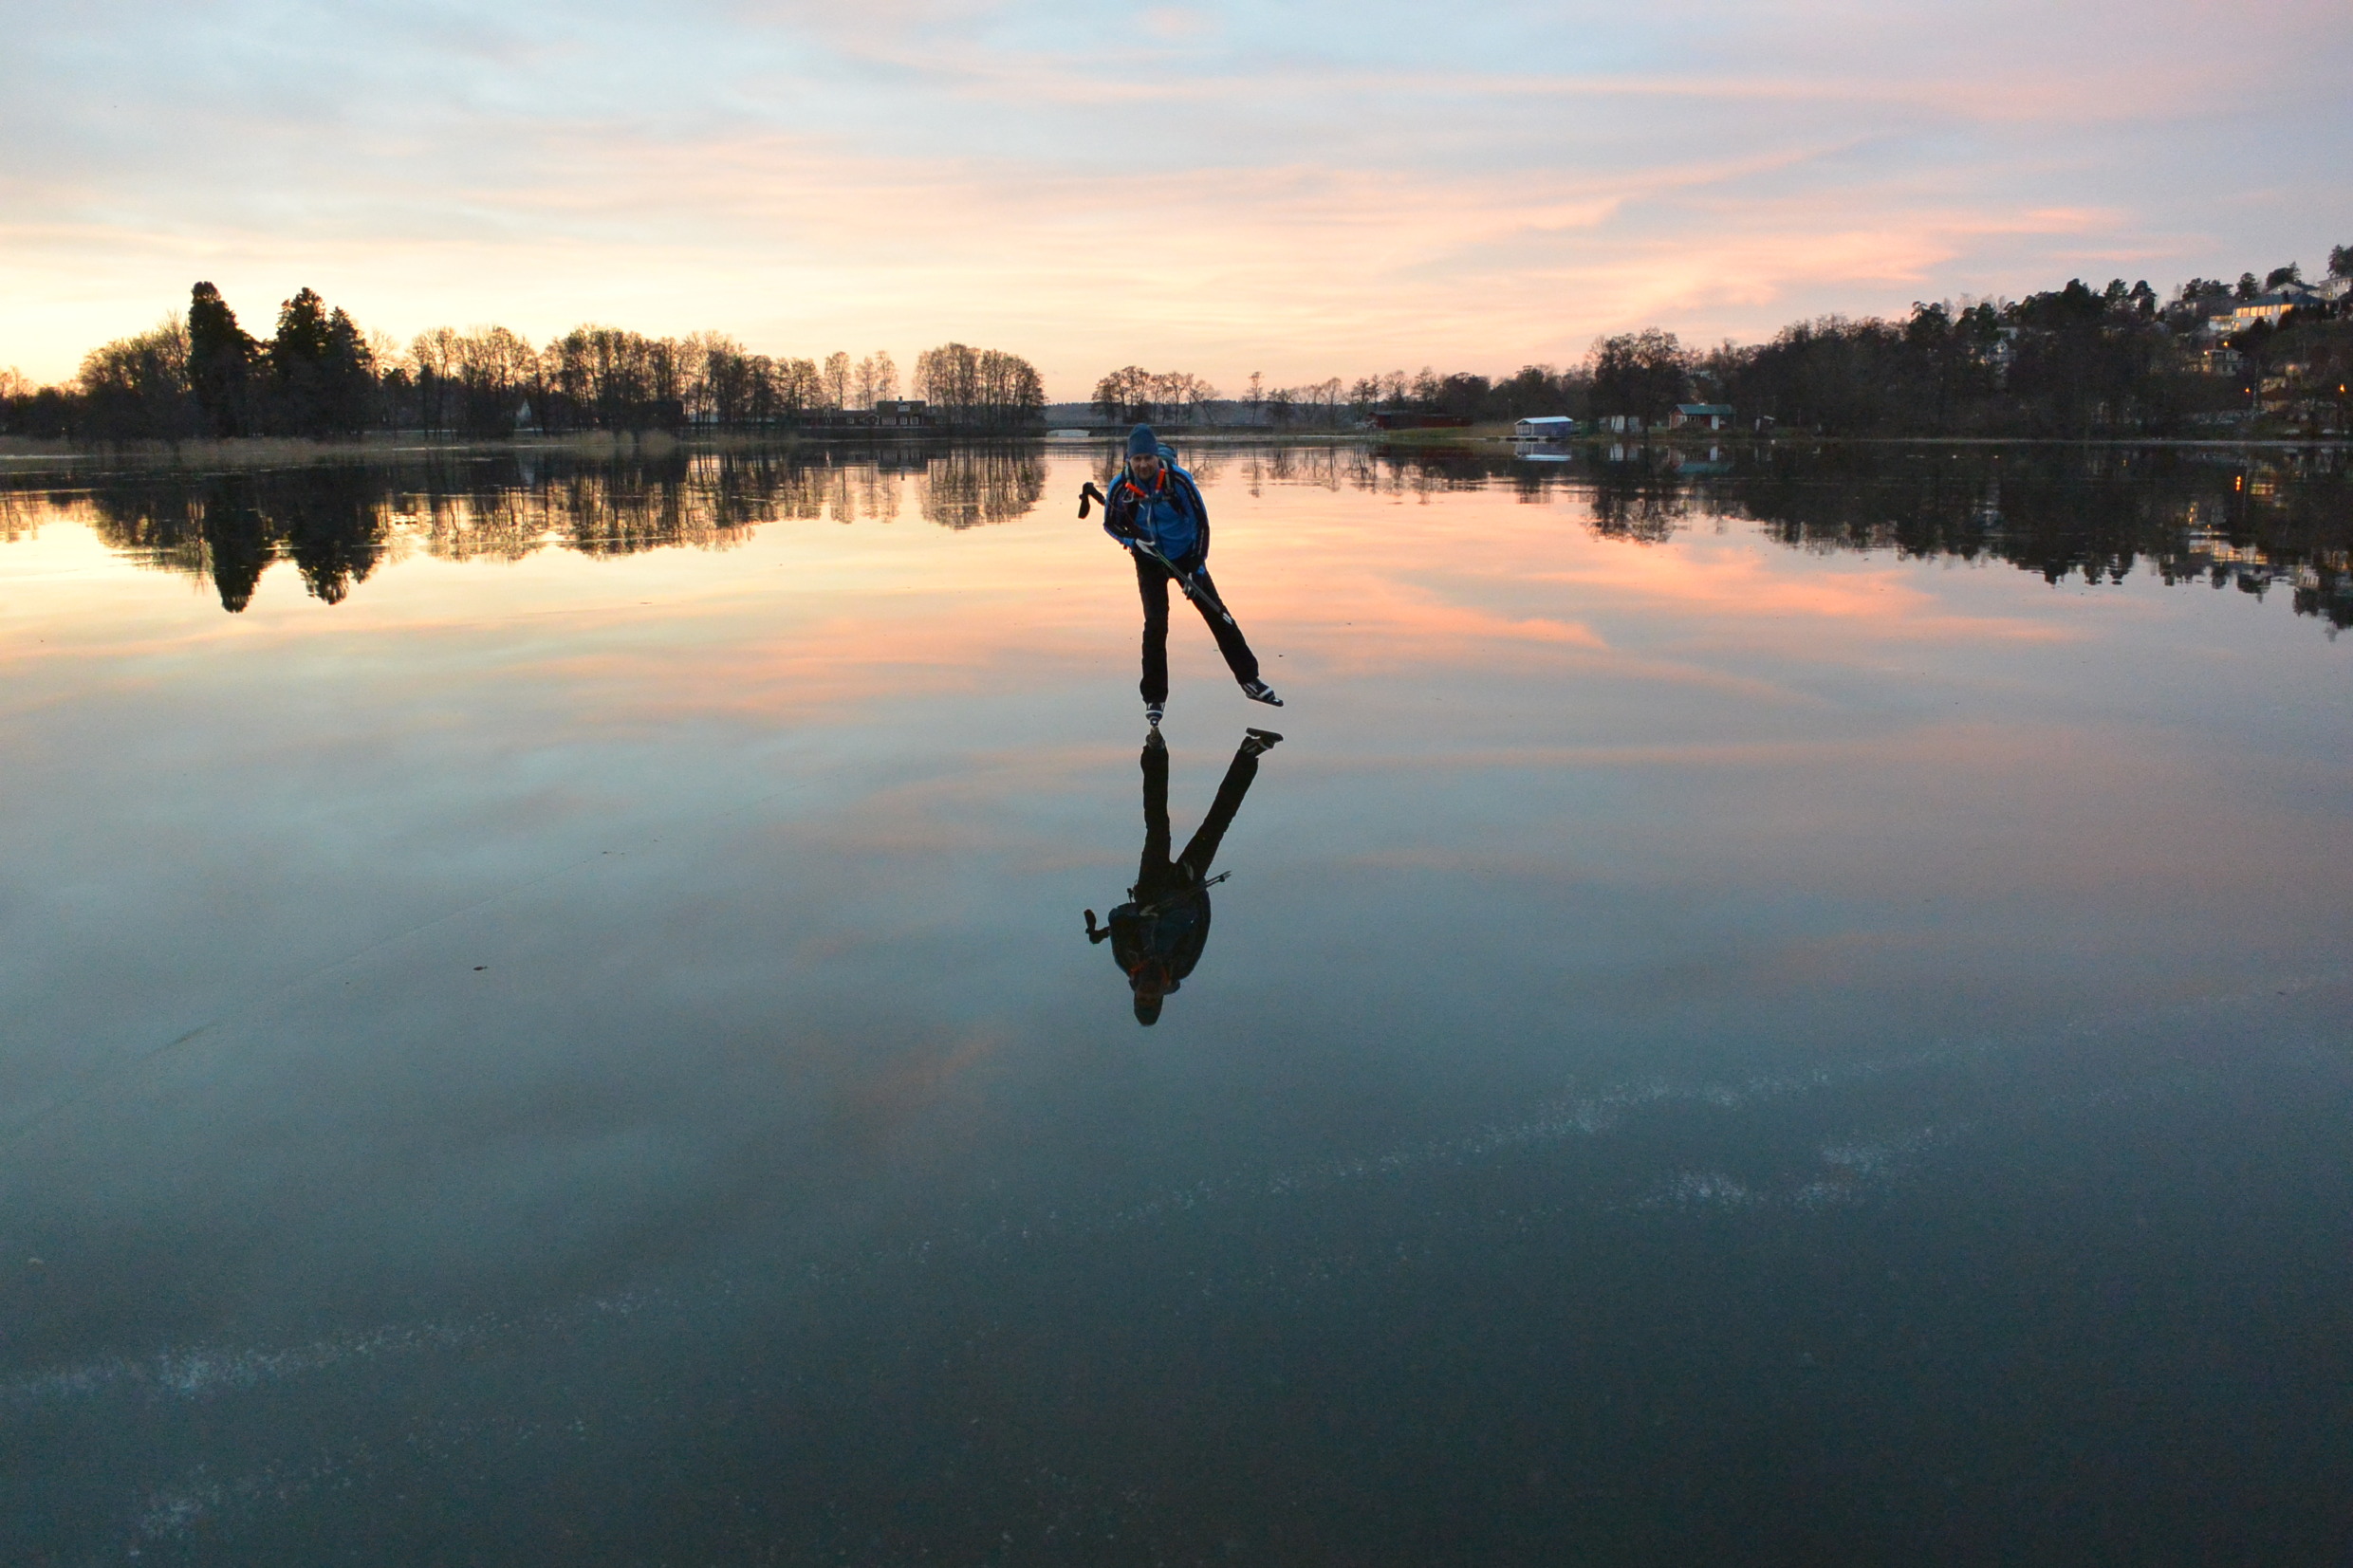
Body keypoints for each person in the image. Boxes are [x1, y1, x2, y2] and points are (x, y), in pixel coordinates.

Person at [1085, 727, 1282, 1025]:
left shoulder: (1127, 960)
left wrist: (1141, 911)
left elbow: (1116, 917)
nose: (1147, 994)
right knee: (1216, 823)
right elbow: (1202, 924)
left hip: (1150, 887)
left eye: (1142, 999)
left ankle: (1154, 749)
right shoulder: (1181, 966)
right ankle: (1249, 753)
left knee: (1157, 822)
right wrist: (1197, 890)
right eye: (1152, 999)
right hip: (1185, 888)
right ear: (1162, 997)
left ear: (1135, 995)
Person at [1098, 423, 1281, 726]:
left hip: (1186, 555)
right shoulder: (1120, 485)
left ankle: (1250, 681)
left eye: (1148, 458)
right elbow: (1110, 524)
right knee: (1155, 625)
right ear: (1129, 460)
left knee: (1216, 614)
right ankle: (1154, 697)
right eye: (1137, 459)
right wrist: (1133, 542)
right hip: (1149, 558)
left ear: (1157, 458)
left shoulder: (1178, 482)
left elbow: (1202, 525)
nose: (1143, 464)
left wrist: (1195, 569)